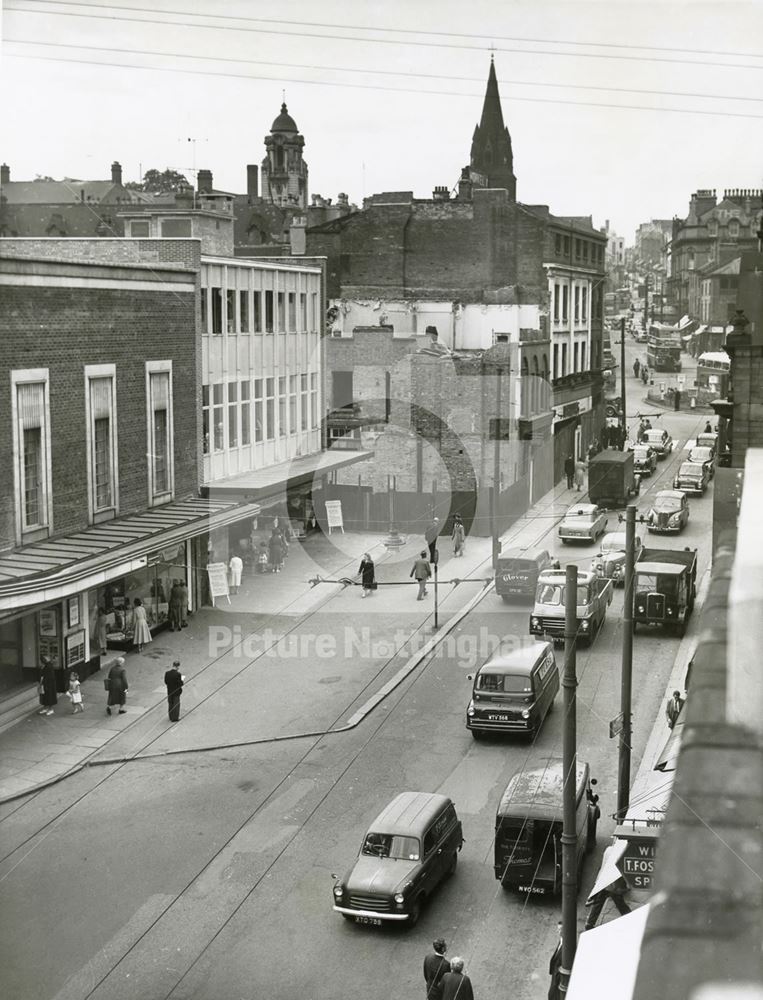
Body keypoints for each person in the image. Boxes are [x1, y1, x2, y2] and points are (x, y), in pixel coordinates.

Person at [548, 923, 563, 1000]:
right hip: (555, 971)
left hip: (558, 975)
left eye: (561, 929)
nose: (559, 931)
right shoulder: (561, 939)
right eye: (558, 929)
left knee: (553, 995)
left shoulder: (566, 944)